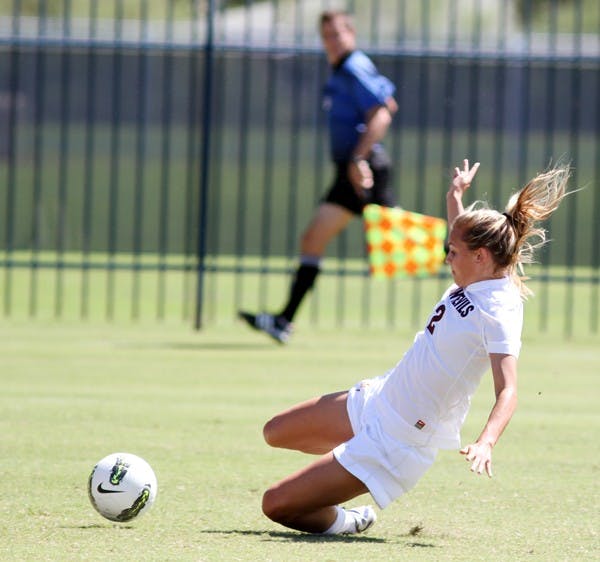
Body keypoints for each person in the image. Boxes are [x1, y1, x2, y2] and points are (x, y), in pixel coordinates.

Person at [259, 159, 571, 534]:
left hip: (400, 438)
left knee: (275, 505)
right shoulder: (477, 272)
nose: (446, 257)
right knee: (274, 431)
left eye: (452, 252)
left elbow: (509, 391)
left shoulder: (499, 310)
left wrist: (486, 442)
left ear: (481, 257)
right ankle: (338, 471)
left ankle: (348, 516)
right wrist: (454, 196)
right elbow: (462, 236)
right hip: (379, 397)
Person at [239, 10, 398, 344]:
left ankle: (488, 259)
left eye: (338, 34)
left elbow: (384, 110)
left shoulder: (354, 66)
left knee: (407, 242)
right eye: (327, 35)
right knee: (313, 239)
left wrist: (358, 158)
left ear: (351, 34)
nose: (333, 41)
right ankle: (283, 321)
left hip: (363, 170)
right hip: (350, 171)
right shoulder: (340, 70)